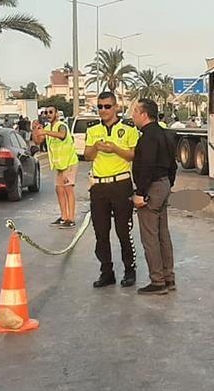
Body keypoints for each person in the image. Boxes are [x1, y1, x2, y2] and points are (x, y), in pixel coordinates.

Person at [84, 92, 140, 288]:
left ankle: (129, 270)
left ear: (116, 107)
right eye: (99, 106)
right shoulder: (93, 130)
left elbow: (133, 155)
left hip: (121, 184)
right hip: (99, 185)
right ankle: (106, 271)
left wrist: (115, 149)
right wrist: (96, 148)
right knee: (101, 232)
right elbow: (87, 156)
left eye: (107, 106)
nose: (103, 110)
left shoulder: (128, 129)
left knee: (123, 230)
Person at [131, 99, 178, 295]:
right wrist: (168, 184)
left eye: (134, 112)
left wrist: (141, 193)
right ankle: (168, 278)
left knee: (150, 236)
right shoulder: (165, 134)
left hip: (152, 187)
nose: (132, 116)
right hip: (164, 184)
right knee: (162, 234)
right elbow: (173, 165)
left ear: (143, 114)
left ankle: (157, 281)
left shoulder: (148, 137)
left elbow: (147, 165)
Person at [38, 108, 79, 227]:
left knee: (68, 189)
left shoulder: (62, 125)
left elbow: (62, 135)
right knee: (59, 190)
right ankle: (63, 216)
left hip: (69, 162)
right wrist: (36, 130)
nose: (48, 114)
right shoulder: (47, 128)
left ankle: (70, 219)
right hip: (59, 165)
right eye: (46, 112)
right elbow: (38, 141)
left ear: (56, 114)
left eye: (51, 112)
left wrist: (45, 132)